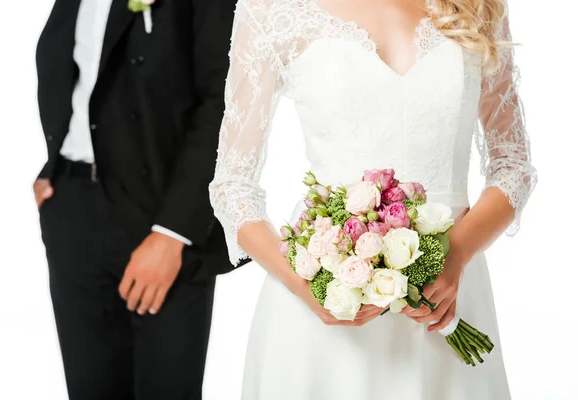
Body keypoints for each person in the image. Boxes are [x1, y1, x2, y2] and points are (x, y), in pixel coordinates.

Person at [209, 0, 537, 398]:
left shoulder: (478, 6)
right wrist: (307, 287)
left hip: (446, 298)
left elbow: (513, 163)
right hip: (323, 304)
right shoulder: (272, 10)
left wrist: (457, 253)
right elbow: (232, 185)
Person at [34, 0, 236, 398]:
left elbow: (225, 100)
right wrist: (58, 161)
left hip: (164, 215)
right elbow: (69, 66)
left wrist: (173, 231)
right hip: (73, 207)